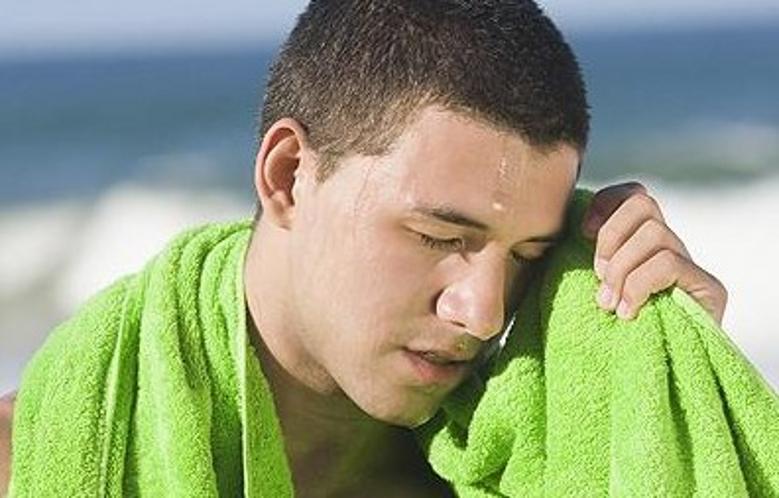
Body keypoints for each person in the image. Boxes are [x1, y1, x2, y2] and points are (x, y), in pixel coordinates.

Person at [0, 1, 728, 496]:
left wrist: (677, 392)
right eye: (439, 236)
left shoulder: (516, 467)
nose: (481, 312)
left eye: (526, 254)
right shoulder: (21, 465)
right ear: (288, 175)